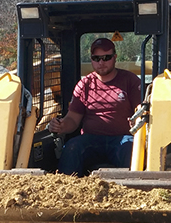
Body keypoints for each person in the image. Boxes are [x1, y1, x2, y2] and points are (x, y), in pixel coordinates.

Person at [48, 38, 142, 176]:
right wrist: (61, 126)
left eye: (106, 57)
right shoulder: (84, 84)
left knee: (131, 149)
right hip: (91, 140)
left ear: (115, 58)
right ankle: (65, 188)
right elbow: (73, 119)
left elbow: (140, 111)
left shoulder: (130, 81)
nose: (101, 62)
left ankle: (131, 189)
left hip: (122, 138)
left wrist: (137, 122)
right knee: (72, 146)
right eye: (96, 58)